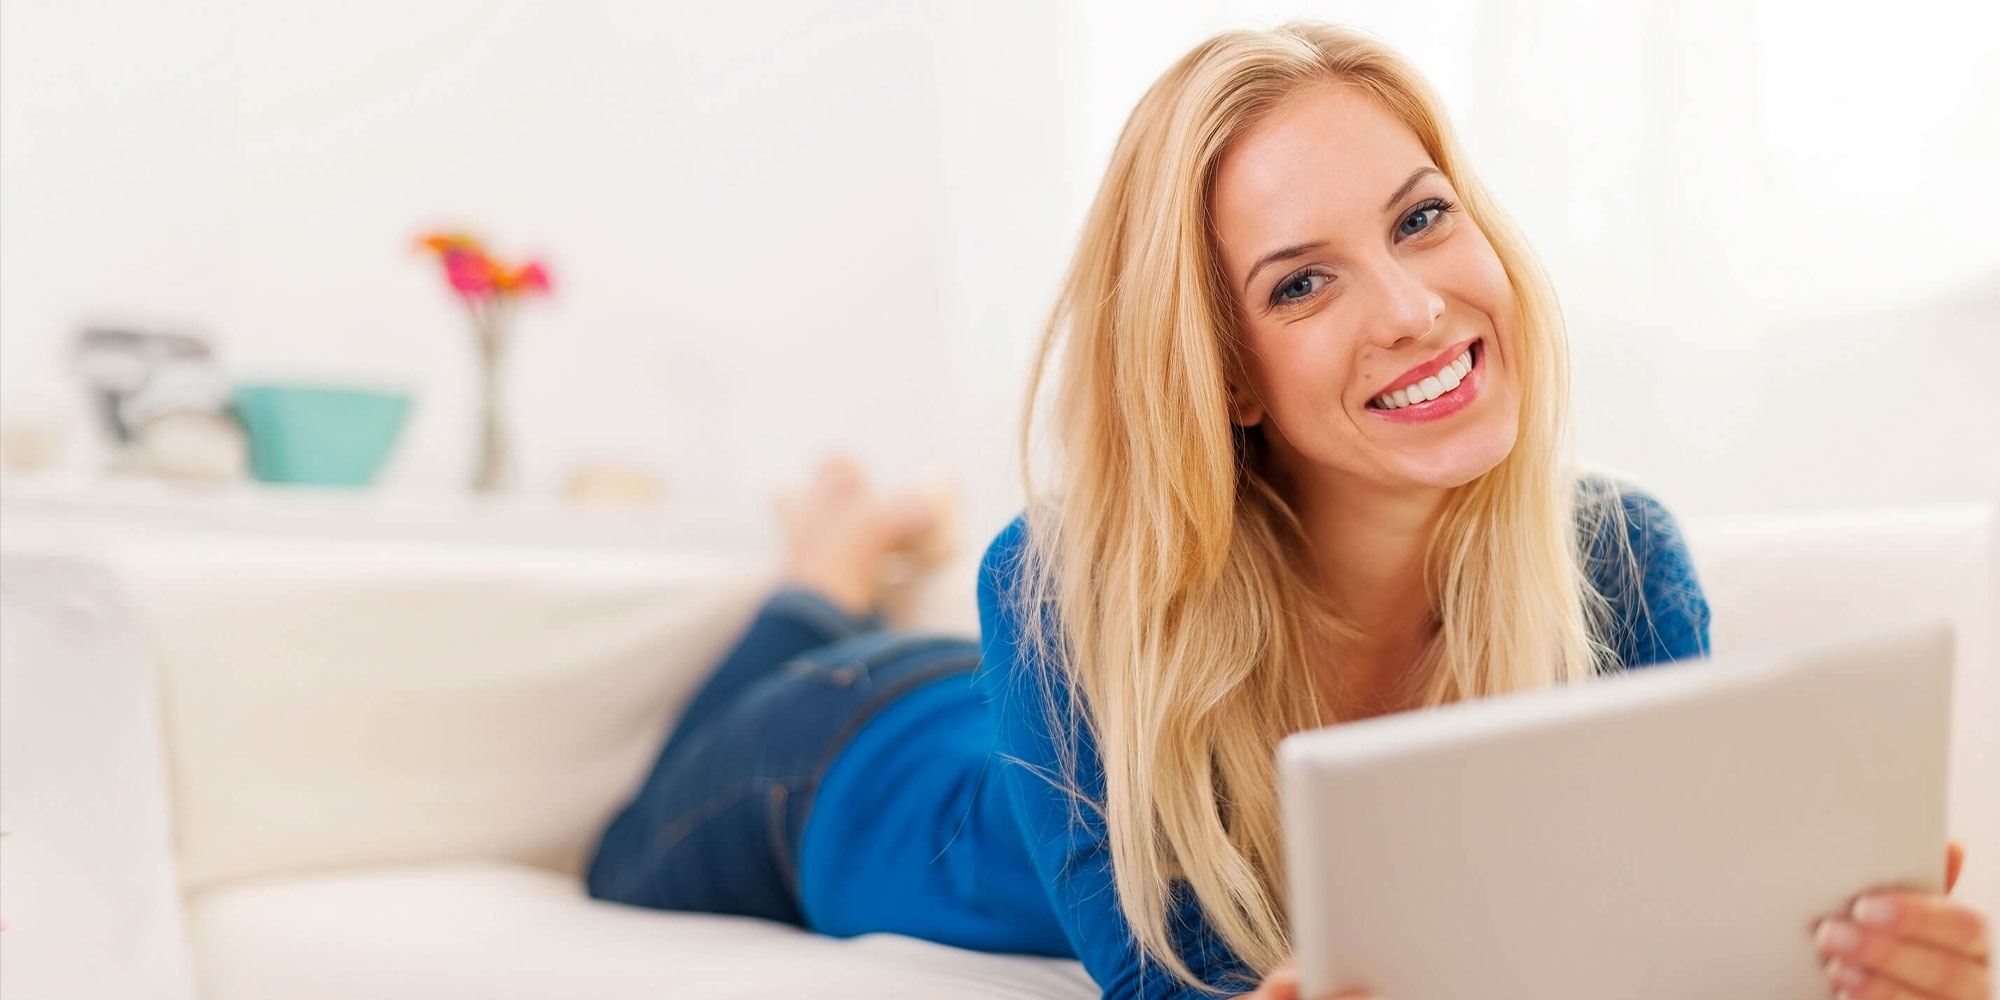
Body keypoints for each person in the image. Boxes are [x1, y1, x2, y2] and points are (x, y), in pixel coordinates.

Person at [585, 22, 1991, 1000]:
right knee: (622, 847)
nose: (1414, 307)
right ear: (1228, 375)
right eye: (1301, 283)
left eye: (1422, 217)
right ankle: (822, 578)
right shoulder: (1061, 585)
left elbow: (1646, 949)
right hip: (844, 765)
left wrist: (1848, 972)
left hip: (1013, 707)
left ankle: (848, 563)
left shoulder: (1621, 567)